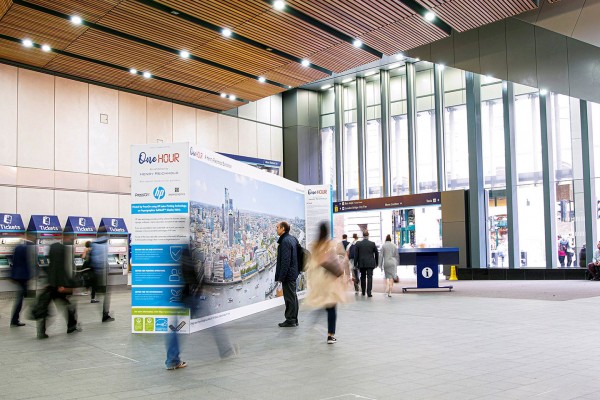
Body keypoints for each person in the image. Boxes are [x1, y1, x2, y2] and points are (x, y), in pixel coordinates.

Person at [303, 222, 349, 344]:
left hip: (320, 280)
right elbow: (337, 261)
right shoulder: (331, 244)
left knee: (325, 303)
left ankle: (314, 321)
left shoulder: (314, 246)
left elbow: (311, 265)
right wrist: (343, 275)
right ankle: (330, 335)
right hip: (330, 280)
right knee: (331, 307)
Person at [37, 242, 79, 339]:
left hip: (50, 286)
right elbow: (62, 274)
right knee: (68, 305)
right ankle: (71, 326)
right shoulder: (61, 262)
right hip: (59, 287)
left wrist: (47, 283)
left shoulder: (50, 262)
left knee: (44, 308)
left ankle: (41, 331)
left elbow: (47, 271)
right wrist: (64, 285)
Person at [275, 221, 299, 327]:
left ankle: (290, 320)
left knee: (289, 298)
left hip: (288, 275)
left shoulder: (284, 241)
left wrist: (281, 277)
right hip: (293, 272)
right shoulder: (293, 239)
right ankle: (294, 319)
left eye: (277, 227)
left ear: (283, 229)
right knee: (293, 296)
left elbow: (285, 261)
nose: (276, 229)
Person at [90, 227, 115, 322]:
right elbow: (106, 258)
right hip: (103, 272)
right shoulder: (105, 243)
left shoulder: (94, 243)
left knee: (100, 293)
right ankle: (105, 315)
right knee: (106, 294)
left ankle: (103, 311)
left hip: (95, 272)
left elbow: (93, 259)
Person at [10, 239, 32, 327]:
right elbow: (28, 262)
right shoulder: (26, 249)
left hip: (17, 275)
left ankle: (15, 319)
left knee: (22, 296)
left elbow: (12, 259)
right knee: (20, 297)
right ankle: (14, 320)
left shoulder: (17, 248)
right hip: (23, 276)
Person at [354, 230, 378, 297]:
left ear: (363, 235)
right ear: (368, 235)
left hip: (362, 263)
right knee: (370, 277)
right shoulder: (372, 244)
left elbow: (356, 255)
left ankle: (363, 291)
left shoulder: (358, 244)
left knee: (363, 276)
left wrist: (355, 264)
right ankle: (369, 292)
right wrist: (377, 262)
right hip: (370, 263)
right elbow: (376, 253)